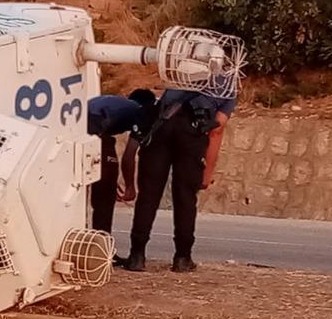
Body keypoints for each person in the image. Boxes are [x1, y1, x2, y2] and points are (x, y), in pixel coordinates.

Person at [124, 83, 237, 273]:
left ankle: (137, 256)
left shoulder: (182, 67)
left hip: (163, 122)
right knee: (185, 196)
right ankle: (182, 258)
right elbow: (216, 130)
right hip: (192, 132)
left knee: (149, 194)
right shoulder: (228, 87)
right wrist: (207, 173)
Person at [86, 89, 158, 244]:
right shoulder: (140, 110)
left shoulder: (116, 102)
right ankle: (101, 248)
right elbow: (129, 155)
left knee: (102, 184)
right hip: (94, 127)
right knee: (104, 196)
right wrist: (130, 186)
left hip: (77, 126)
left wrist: (109, 176)